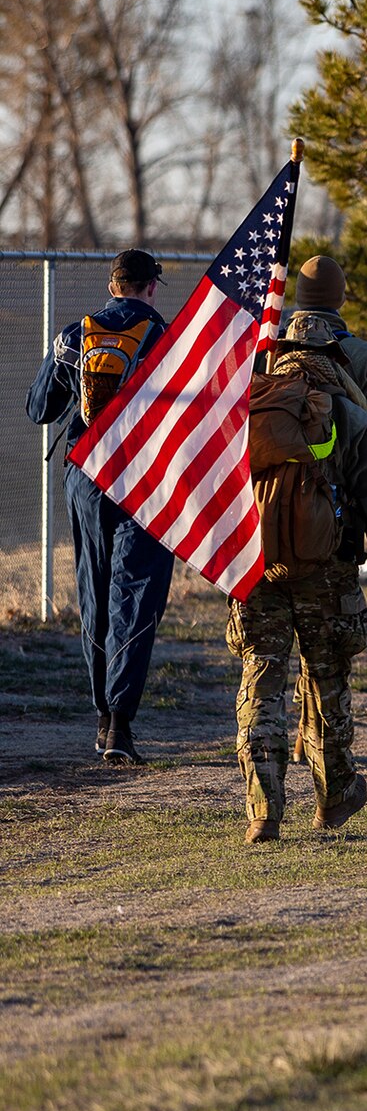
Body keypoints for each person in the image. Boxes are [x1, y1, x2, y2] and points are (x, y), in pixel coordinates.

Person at [231, 313, 367, 843]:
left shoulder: (247, 412)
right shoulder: (353, 420)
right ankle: (334, 796)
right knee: (327, 681)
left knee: (261, 684)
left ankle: (263, 809)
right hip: (328, 576)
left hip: (257, 572)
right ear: (334, 358)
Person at [24, 249, 176, 765]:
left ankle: (101, 717)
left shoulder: (73, 336)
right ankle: (121, 724)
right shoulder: (169, 339)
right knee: (136, 594)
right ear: (151, 287)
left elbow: (38, 409)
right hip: (145, 481)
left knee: (94, 587)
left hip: (86, 475)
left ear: (112, 285)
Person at [285, 254, 367, 478]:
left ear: (299, 298)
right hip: (342, 495)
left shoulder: (272, 352)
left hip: (276, 493)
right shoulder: (361, 354)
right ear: (341, 299)